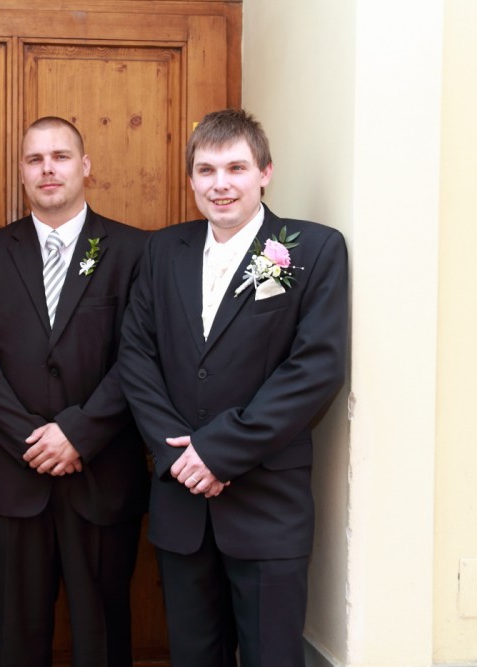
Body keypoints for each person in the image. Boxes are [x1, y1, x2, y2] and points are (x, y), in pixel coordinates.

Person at [118, 108, 348, 667]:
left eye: (236, 168)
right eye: (207, 170)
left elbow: (314, 369)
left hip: (267, 507)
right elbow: (136, 356)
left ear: (265, 172)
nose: (220, 184)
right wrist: (180, 457)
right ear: (191, 179)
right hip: (181, 503)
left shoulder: (314, 249)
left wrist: (218, 453)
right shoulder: (161, 250)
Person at [0, 116, 149, 667]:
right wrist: (33, 438)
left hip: (102, 474)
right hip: (15, 475)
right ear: (21, 172)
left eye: (60, 156)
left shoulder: (134, 250)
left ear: (85, 166)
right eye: (35, 159)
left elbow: (139, 356)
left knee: (103, 635)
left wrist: (78, 433)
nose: (48, 169)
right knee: (19, 636)